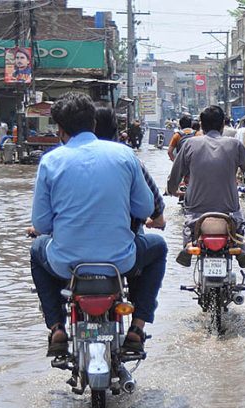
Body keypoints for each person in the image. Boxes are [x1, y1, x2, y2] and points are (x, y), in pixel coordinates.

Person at [28, 93, 167, 356]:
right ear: (93, 122)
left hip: (65, 263)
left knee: (37, 250)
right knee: (157, 246)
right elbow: (146, 209)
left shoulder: (50, 161)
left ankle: (56, 327)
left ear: (60, 129)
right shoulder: (125, 156)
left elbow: (42, 224)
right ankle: (137, 328)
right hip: (121, 261)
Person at [167, 105, 245, 268]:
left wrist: (171, 190)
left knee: (189, 226)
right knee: (239, 224)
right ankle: (240, 248)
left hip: (196, 213)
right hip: (229, 212)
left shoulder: (189, 144)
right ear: (222, 126)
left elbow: (174, 177)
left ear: (202, 126)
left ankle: (188, 245)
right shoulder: (235, 145)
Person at [94, 107, 166, 232]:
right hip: (121, 241)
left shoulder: (61, 162)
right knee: (158, 244)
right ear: (116, 131)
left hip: (71, 245)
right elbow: (151, 209)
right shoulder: (129, 159)